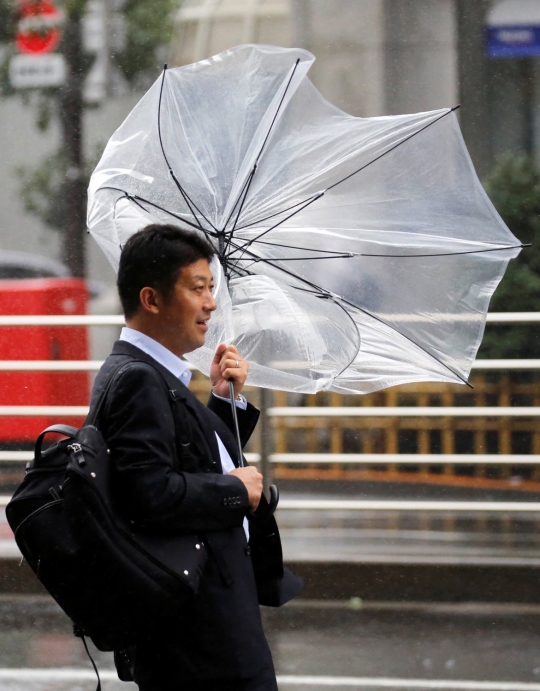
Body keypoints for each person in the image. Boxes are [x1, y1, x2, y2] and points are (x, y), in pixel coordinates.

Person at [90, 223, 301, 691]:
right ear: (152, 299)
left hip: (201, 623)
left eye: (212, 289)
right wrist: (235, 490)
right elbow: (149, 494)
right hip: (198, 634)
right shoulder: (138, 379)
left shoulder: (145, 373)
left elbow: (184, 458)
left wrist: (225, 402)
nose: (211, 303)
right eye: (198, 288)